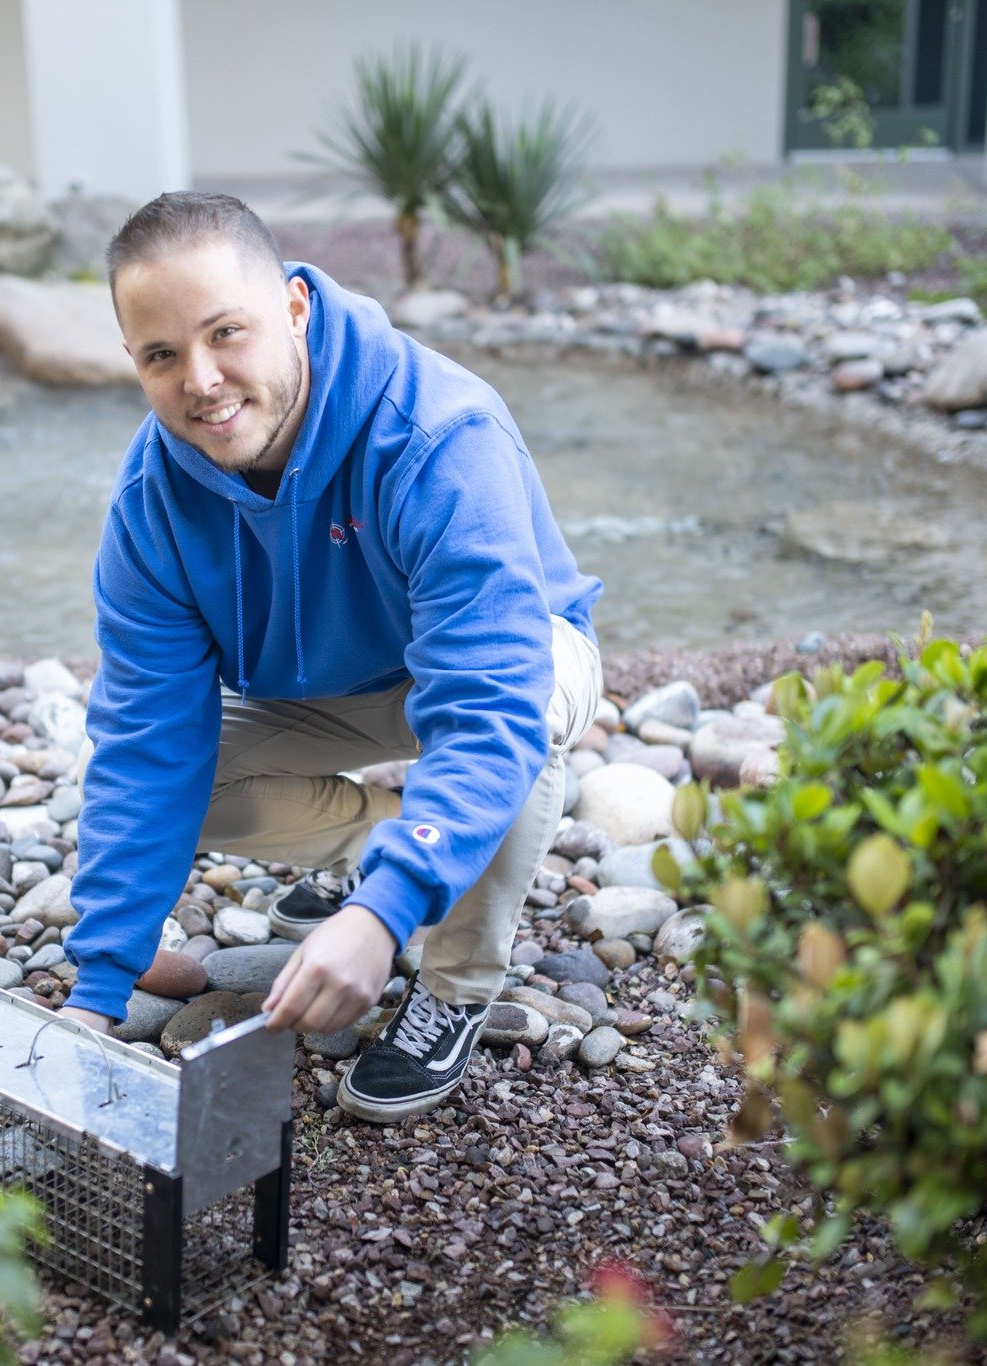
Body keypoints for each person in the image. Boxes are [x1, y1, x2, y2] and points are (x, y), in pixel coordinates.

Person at [56, 191, 601, 1123]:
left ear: (296, 309)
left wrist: (384, 919)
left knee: (526, 707)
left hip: (505, 663)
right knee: (170, 773)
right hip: (330, 697)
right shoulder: (149, 503)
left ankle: (456, 986)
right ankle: (390, 844)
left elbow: (488, 710)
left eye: (229, 332)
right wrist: (100, 986)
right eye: (162, 355)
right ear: (133, 361)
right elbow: (148, 741)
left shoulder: (434, 437)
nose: (202, 380)